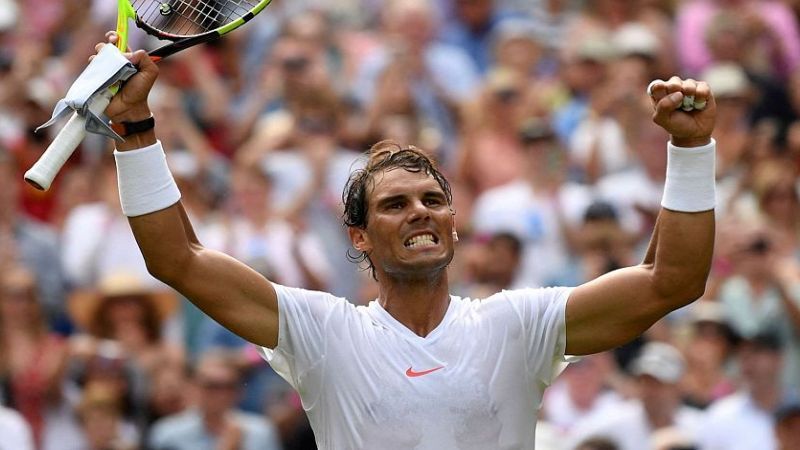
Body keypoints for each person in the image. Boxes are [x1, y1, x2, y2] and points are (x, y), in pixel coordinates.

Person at [97, 31, 717, 448]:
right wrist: (135, 127)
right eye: (395, 205)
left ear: (454, 224)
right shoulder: (323, 332)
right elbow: (177, 258)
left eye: (433, 201)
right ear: (360, 237)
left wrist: (691, 149)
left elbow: (673, 281)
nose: (420, 212)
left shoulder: (518, 325)